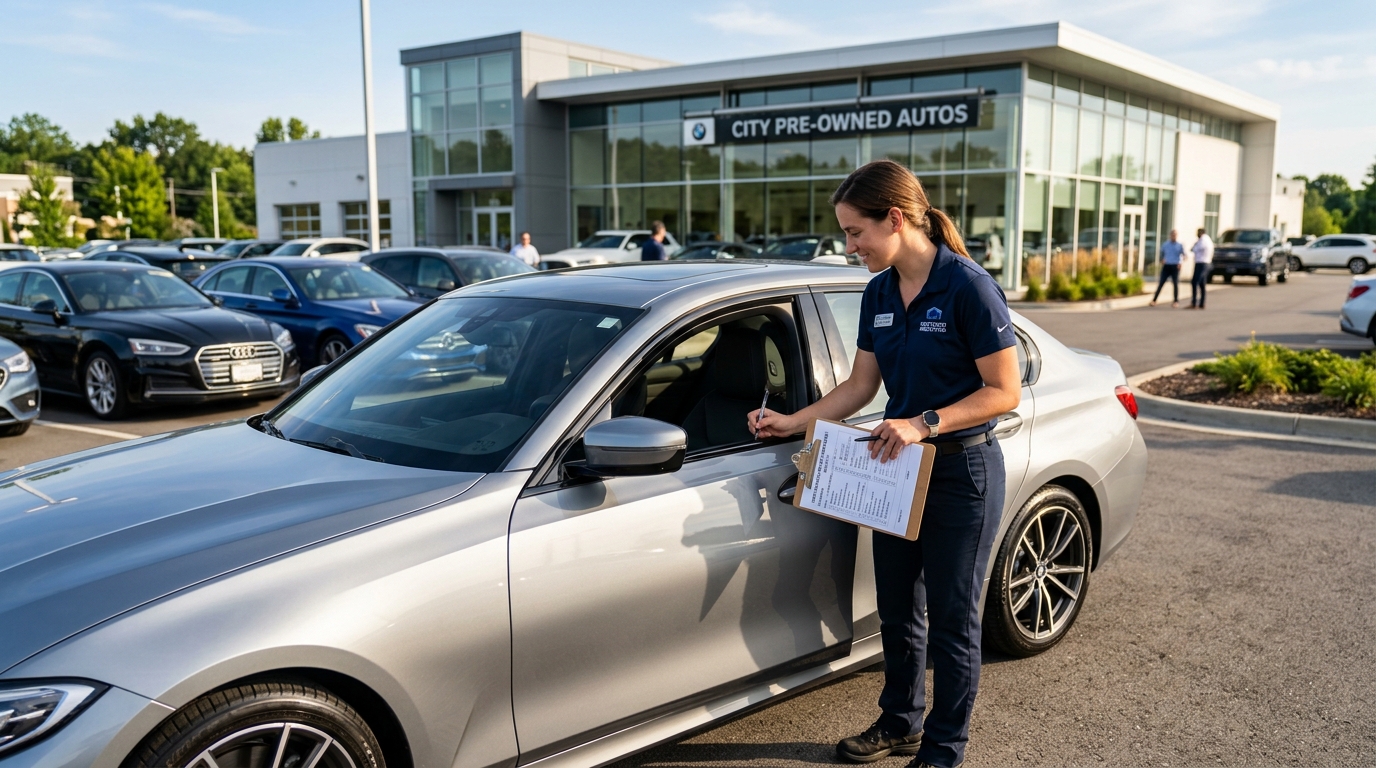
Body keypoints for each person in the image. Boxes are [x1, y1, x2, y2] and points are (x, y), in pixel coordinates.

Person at [752, 160, 1021, 768]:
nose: (850, 247)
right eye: (846, 234)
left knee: (953, 620)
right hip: (898, 473)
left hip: (962, 472)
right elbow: (859, 385)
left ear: (895, 219)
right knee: (900, 609)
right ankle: (901, 722)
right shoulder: (877, 291)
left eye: (856, 233)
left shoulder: (968, 287)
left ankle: (944, 748)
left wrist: (923, 421)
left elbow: (1004, 391)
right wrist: (794, 421)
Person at [1151, 229, 1184, 307]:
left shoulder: (1179, 245)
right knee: (1161, 283)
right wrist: (1162, 259)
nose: (1173, 236)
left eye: (1175, 235)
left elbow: (1183, 255)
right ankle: (1154, 300)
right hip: (1167, 265)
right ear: (1170, 235)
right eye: (1172, 235)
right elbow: (1161, 253)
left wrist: (1180, 263)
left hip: (1175, 265)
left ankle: (1176, 301)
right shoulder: (1166, 244)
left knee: (1175, 283)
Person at [1190, 227, 1214, 309]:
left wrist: (1195, 245)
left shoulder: (1203, 240)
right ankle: (1202, 303)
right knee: (1202, 284)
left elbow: (1195, 249)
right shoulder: (1208, 240)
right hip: (1206, 263)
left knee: (1195, 282)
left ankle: (1194, 303)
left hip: (1201, 263)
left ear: (1200, 233)